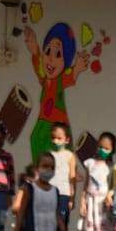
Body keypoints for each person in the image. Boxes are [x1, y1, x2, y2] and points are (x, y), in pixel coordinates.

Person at [23, 20, 90, 162]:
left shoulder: (60, 80)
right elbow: (38, 63)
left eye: (58, 54)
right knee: (35, 139)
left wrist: (77, 68)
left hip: (56, 125)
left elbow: (71, 75)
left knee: (54, 154)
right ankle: (39, 170)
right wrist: (34, 48)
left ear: (66, 62)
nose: (51, 59)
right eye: (48, 51)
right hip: (42, 124)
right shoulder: (44, 78)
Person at [80, 132, 115, 231]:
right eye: (100, 146)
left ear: (112, 150)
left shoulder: (110, 167)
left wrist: (110, 198)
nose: (102, 150)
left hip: (103, 205)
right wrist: (82, 201)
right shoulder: (90, 163)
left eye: (106, 148)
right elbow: (85, 185)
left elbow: (112, 186)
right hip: (90, 202)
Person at [50, 121, 77, 231]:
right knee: (50, 223)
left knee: (62, 225)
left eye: (59, 138)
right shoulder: (50, 155)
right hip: (50, 193)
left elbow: (72, 176)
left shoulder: (70, 156)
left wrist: (72, 197)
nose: (56, 141)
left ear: (67, 140)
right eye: (53, 138)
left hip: (64, 194)